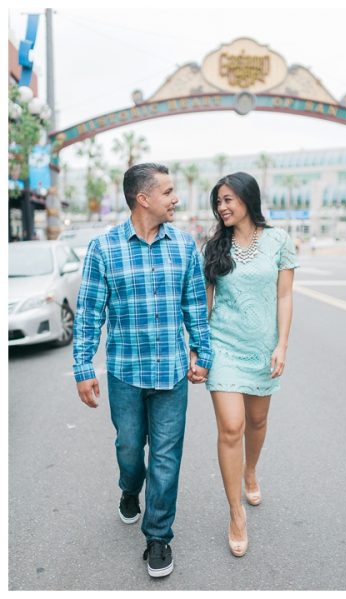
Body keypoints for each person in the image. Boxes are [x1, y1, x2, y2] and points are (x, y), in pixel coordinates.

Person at [73, 163, 212, 578]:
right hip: (125, 374)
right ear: (143, 198)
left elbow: (195, 308)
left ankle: (158, 537)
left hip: (171, 374)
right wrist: (82, 366)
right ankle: (129, 489)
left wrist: (202, 352)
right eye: (168, 192)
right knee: (130, 450)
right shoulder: (104, 248)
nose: (176, 199)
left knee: (167, 458)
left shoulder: (185, 247)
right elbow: (88, 315)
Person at [202, 172, 298, 557]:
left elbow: (285, 297)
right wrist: (199, 350)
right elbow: (205, 303)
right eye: (218, 202)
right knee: (231, 426)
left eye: (228, 199)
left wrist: (282, 345)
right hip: (222, 344)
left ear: (247, 198)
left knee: (256, 422)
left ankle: (251, 470)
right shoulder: (213, 247)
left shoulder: (279, 240)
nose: (223, 207)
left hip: (262, 349)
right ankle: (234, 513)